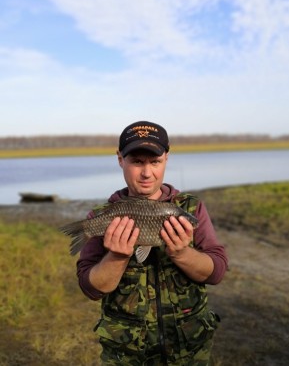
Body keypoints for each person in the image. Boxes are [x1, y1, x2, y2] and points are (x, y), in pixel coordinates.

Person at [77, 120, 228, 366]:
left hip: (189, 348)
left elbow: (217, 271)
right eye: (137, 162)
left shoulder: (191, 208)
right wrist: (117, 256)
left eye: (155, 162)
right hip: (127, 352)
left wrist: (181, 253)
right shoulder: (101, 216)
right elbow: (89, 288)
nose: (147, 173)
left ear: (166, 158)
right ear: (120, 159)